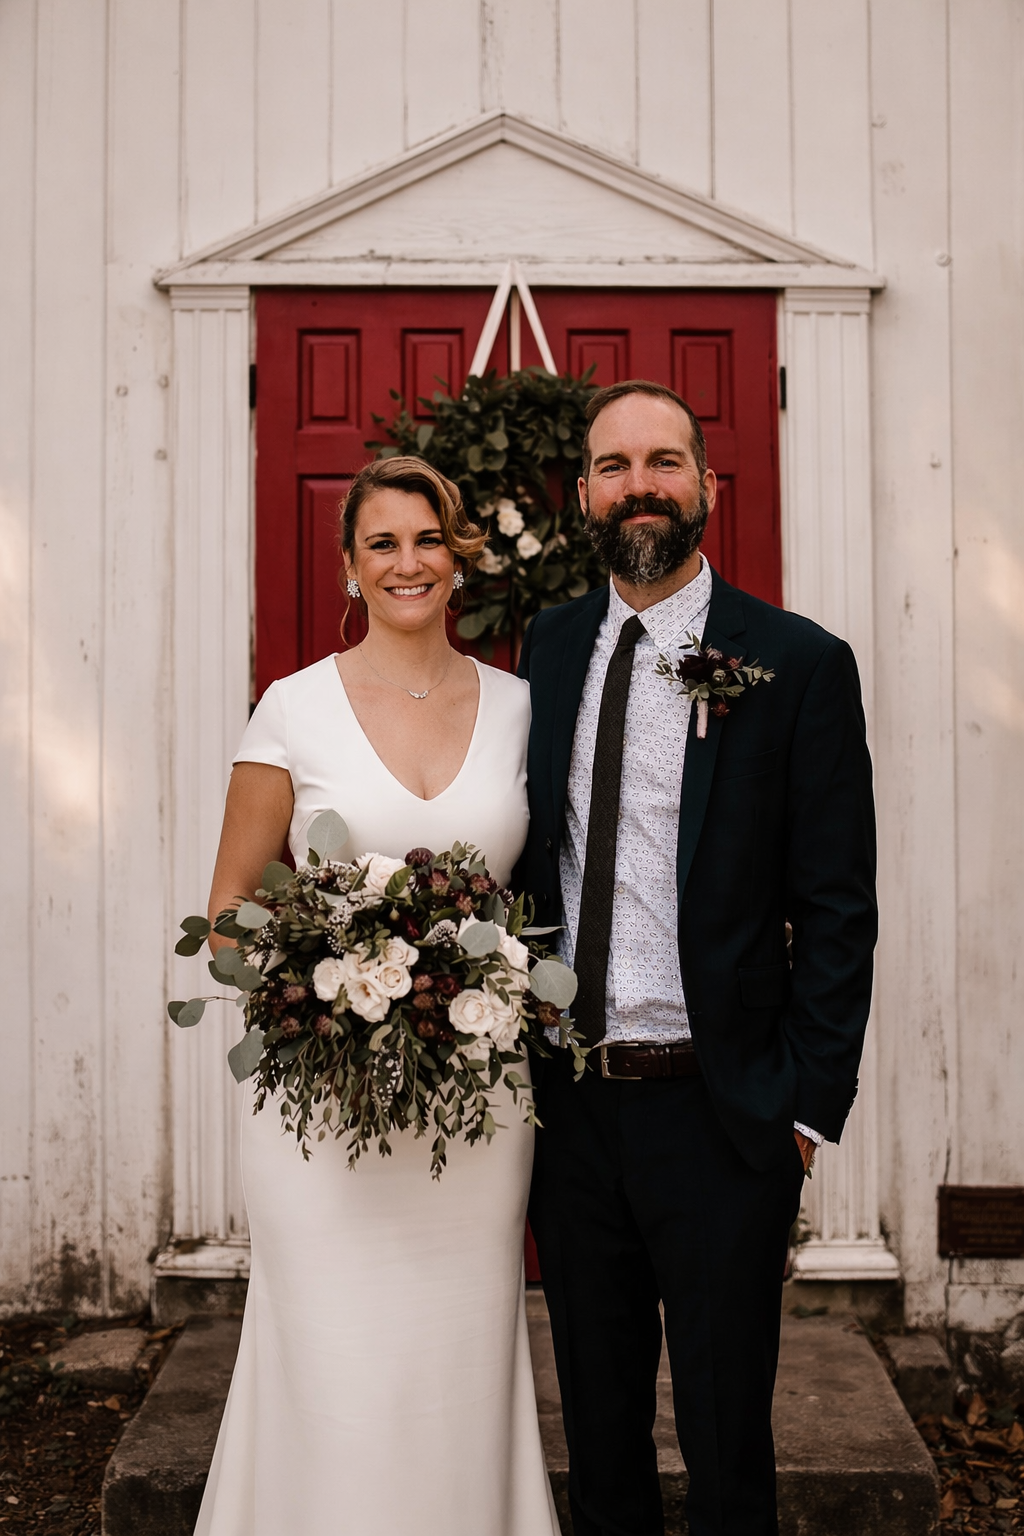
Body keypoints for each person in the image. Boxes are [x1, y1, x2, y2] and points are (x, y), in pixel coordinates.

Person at [515, 380, 877, 1536]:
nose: (639, 486)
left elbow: (837, 906)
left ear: (707, 486)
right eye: (614, 466)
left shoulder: (795, 662)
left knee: (728, 1447)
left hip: (723, 1111)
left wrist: (803, 1109)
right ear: (582, 494)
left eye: (663, 462)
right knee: (601, 1440)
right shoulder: (553, 644)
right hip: (575, 1108)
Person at [194, 457, 559, 1536]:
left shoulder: (522, 710)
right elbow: (227, 916)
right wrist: (328, 978)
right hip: (321, 1105)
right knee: (336, 1359)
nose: (410, 562)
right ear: (350, 567)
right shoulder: (292, 709)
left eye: (429, 540)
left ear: (460, 557)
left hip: (475, 1102)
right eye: (383, 544)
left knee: (456, 1351)